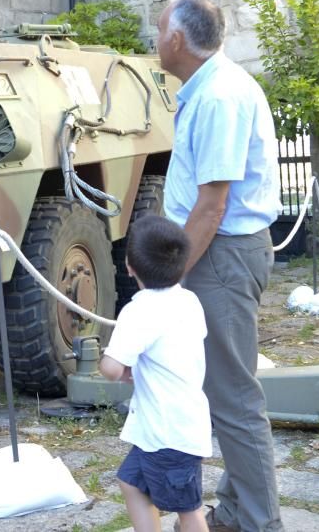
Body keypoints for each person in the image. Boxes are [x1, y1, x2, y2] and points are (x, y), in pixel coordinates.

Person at [157, 0, 283, 532]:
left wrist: (169, 277)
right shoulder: (211, 88)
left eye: (158, 28)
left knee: (233, 399)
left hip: (222, 255)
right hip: (223, 252)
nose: (155, 36)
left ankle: (260, 522)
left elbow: (212, 206)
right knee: (229, 391)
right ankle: (236, 510)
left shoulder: (218, 98)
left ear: (178, 40)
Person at [100, 214, 212, 532]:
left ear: (129, 266)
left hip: (167, 434)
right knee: (130, 482)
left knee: (188, 510)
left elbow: (110, 367)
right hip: (174, 427)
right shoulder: (189, 301)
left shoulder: (138, 311)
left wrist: (114, 364)